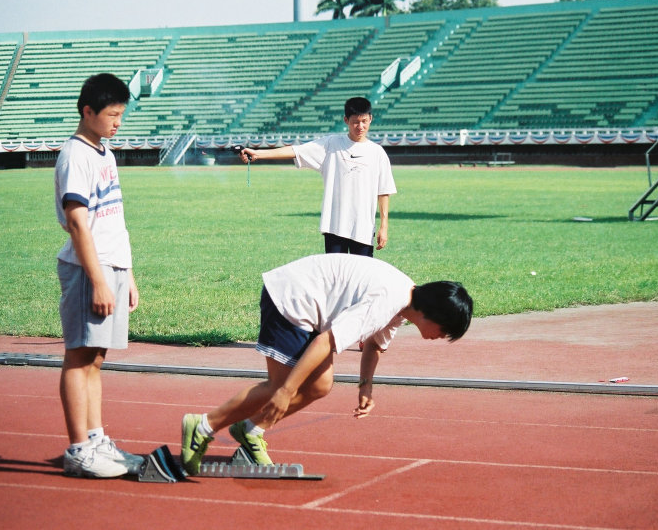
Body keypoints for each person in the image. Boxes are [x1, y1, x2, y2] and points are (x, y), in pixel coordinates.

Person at [181, 253, 473, 472]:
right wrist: (285, 392)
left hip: (307, 302)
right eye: (445, 331)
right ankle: (203, 426)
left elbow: (374, 345)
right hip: (291, 298)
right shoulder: (388, 299)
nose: (441, 337)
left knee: (319, 384)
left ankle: (250, 429)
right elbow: (326, 342)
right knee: (279, 386)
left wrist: (365, 388)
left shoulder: (404, 302)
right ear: (432, 314)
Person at [54, 73, 144, 478]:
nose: (117, 122)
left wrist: (127, 272)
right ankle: (78, 449)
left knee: (96, 358)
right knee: (79, 355)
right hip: (89, 268)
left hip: (112, 264)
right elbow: (77, 223)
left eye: (121, 114)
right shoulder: (76, 156)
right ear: (87, 111)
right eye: (111, 114)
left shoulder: (103, 152)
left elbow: (114, 218)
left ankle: (95, 439)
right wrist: (100, 280)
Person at [239, 96, 395, 257]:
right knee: (334, 277)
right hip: (334, 226)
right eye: (355, 121)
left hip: (363, 227)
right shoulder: (331, 145)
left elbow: (383, 191)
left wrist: (384, 226)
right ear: (346, 120)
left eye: (364, 121)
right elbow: (296, 150)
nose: (360, 126)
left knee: (361, 277)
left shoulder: (377, 153)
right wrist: (258, 154)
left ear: (370, 119)